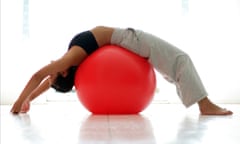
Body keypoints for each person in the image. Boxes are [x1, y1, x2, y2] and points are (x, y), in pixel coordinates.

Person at [10, 26, 233, 115]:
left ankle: (201, 101)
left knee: (173, 65)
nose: (52, 71)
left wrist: (29, 98)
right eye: (54, 72)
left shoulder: (71, 64)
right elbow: (38, 76)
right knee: (181, 59)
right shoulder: (69, 60)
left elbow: (47, 83)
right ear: (64, 73)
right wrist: (18, 105)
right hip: (129, 39)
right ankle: (205, 105)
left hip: (124, 43)